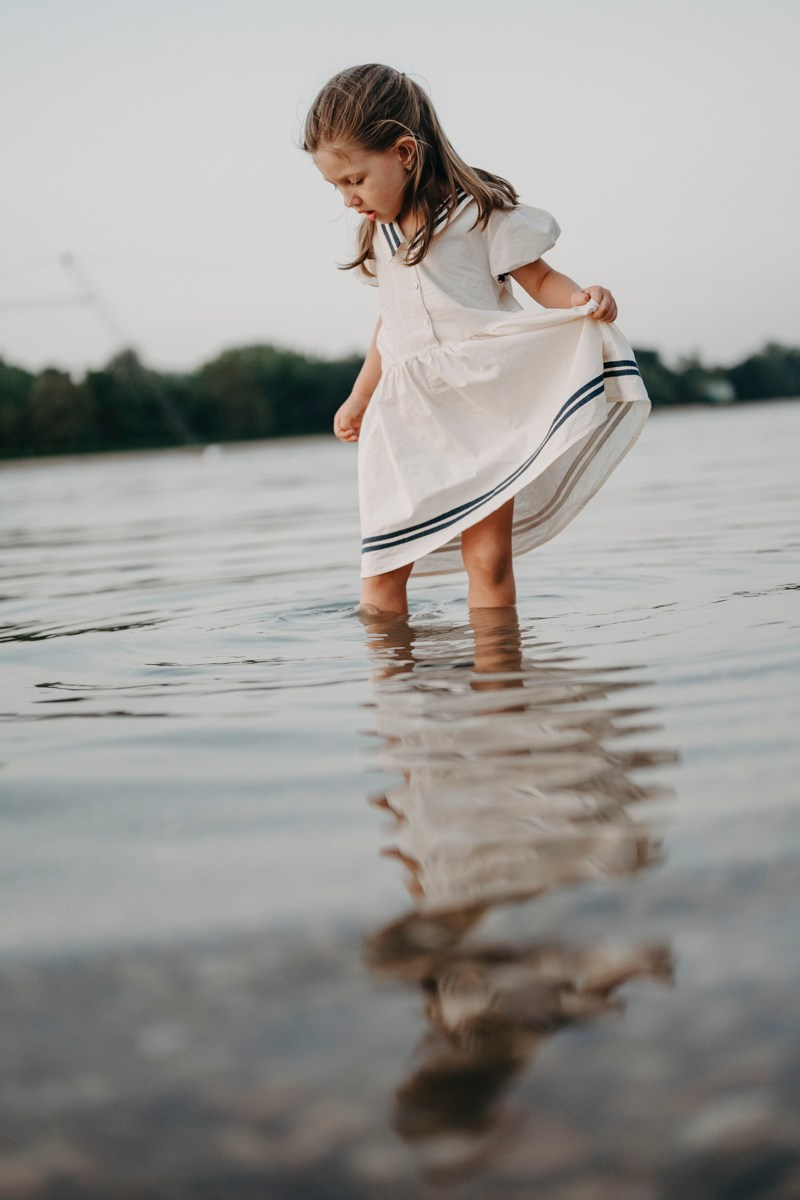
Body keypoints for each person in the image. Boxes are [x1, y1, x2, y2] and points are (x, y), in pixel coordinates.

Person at [301, 63, 651, 616]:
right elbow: (391, 325)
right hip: (407, 416)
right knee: (383, 572)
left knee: (488, 560)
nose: (347, 199)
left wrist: (583, 298)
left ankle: (498, 691)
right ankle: (392, 689)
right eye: (335, 186)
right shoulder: (378, 230)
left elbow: (539, 280)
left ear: (404, 152)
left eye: (355, 179)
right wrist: (360, 396)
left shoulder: (476, 212)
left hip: (481, 404)